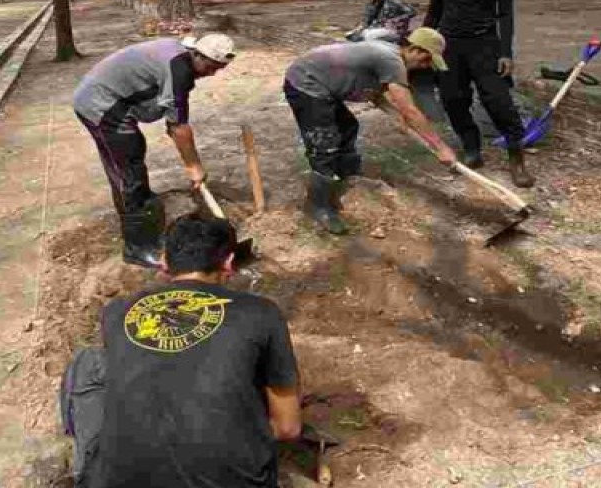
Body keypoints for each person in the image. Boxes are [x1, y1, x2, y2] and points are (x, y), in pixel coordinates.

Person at [59, 214, 301, 488]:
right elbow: (287, 428)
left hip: (121, 481)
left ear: (164, 262)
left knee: (89, 362)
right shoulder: (261, 312)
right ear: (229, 263)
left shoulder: (117, 311)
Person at [73, 33, 236, 268]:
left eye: (219, 69)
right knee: (128, 171)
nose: (213, 73)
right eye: (211, 67)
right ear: (198, 55)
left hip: (111, 98)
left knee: (132, 156)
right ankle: (137, 248)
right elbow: (179, 127)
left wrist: (176, 128)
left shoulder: (182, 57)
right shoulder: (179, 69)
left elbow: (174, 119)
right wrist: (194, 167)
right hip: (100, 104)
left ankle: (142, 212)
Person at [283, 27, 458, 234]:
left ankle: (346, 176)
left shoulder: (389, 52)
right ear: (415, 49)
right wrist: (440, 147)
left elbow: (375, 95)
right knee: (325, 144)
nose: (425, 66)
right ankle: (318, 206)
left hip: (319, 80)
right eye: (426, 60)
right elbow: (410, 110)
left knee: (348, 127)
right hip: (306, 83)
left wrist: (397, 118)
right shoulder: (392, 61)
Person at [424, 0, 535, 188]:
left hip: (485, 45)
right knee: (453, 100)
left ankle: (516, 158)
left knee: (499, 102)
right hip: (449, 46)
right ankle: (471, 148)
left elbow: (505, 15)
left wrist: (506, 52)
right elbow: (434, 11)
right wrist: (422, 43)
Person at [345, 0, 417, 42]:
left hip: (393, 30)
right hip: (375, 29)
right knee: (352, 36)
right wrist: (359, 28)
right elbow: (366, 21)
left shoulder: (393, 0)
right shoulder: (370, 5)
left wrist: (395, 20)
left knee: (369, 36)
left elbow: (412, 12)